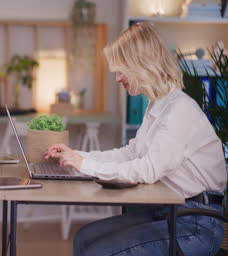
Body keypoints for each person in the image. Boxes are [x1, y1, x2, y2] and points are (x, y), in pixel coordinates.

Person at [44, 22, 227, 256]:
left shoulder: (180, 110)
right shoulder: (157, 105)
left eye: (122, 70)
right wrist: (77, 156)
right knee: (84, 238)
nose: (118, 78)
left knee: (97, 252)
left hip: (195, 224)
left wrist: (85, 164)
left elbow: (148, 169)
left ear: (142, 65)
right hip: (167, 212)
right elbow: (131, 153)